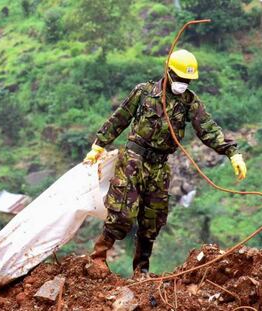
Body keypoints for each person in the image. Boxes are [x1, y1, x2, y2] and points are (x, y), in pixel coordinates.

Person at [83, 49, 247, 278]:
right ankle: (98, 258)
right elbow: (120, 117)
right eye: (180, 78)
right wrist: (98, 145)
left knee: (152, 221)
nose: (183, 83)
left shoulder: (189, 102)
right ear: (169, 72)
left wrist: (231, 152)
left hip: (159, 166)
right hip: (133, 159)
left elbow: (207, 128)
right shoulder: (145, 92)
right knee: (122, 213)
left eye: (187, 80)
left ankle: (141, 270)